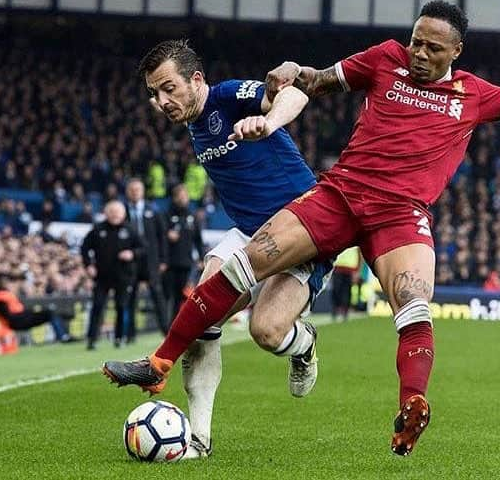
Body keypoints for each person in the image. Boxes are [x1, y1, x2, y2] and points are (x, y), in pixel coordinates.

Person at [103, 1, 500, 456]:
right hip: (340, 194)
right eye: (416, 40)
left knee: (414, 305)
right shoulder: (384, 59)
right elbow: (318, 81)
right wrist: (296, 73)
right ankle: (159, 365)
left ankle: (412, 405)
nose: (418, 53)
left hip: (400, 213)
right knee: (242, 267)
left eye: (432, 47)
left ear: (456, 53)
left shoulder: (474, 94)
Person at [103, 39, 332, 459]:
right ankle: (198, 441)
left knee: (266, 332)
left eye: (169, 88)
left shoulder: (228, 96)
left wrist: (269, 122)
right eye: (154, 93)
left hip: (302, 230)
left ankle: (303, 345)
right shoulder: (193, 121)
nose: (162, 101)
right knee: (201, 319)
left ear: (196, 79)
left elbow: (293, 93)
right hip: (246, 232)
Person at [81, 200, 144, 350]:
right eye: (112, 211)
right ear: (106, 213)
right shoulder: (97, 229)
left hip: (123, 275)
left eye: (118, 212)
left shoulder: (130, 229)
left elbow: (143, 248)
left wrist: (132, 253)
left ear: (123, 214)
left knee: (121, 307)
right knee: (97, 306)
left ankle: (119, 337)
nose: (115, 214)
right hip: (102, 276)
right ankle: (92, 339)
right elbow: (84, 247)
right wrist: (88, 265)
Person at [125, 178, 169, 339]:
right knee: (130, 298)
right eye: (132, 189)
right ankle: (129, 334)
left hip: (151, 262)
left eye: (137, 189)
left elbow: (162, 237)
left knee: (158, 296)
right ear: (127, 192)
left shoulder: (153, 211)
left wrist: (163, 260)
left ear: (142, 192)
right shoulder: (122, 211)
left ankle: (166, 331)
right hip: (131, 261)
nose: (135, 192)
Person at [0, 273, 74, 343]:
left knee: (49, 312)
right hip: (16, 320)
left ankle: (63, 326)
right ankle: (63, 335)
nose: (7, 283)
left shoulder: (4, 293)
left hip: (19, 317)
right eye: (4, 281)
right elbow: (7, 315)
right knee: (49, 313)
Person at [164, 183, 204, 314]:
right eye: (180, 196)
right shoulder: (166, 216)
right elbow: (157, 238)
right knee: (169, 296)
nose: (183, 198)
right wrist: (166, 235)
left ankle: (180, 325)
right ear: (174, 198)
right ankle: (168, 326)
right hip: (169, 264)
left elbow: (198, 240)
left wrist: (202, 258)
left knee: (184, 296)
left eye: (185, 196)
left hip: (186, 263)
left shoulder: (192, 217)